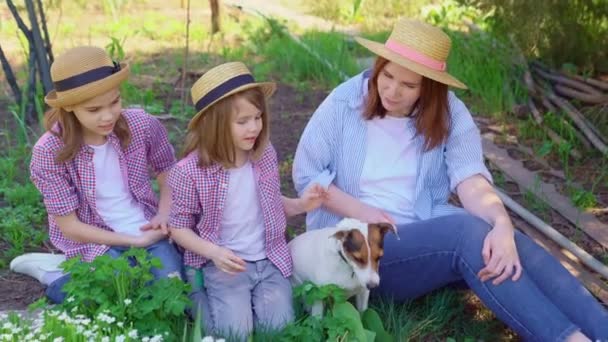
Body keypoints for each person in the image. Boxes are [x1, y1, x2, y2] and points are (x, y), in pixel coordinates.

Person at [292, 18, 608, 341]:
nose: (391, 90)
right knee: (465, 235)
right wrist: (365, 213)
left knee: (508, 245)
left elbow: (471, 182)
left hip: (424, 236)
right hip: (361, 252)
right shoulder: (344, 102)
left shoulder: (450, 114)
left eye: (409, 85)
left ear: (429, 86)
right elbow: (307, 176)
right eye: (386, 75)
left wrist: (502, 224)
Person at [11, 46, 183, 304]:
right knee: (117, 294)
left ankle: (74, 271)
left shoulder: (141, 124)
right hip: (95, 239)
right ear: (69, 108)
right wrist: (131, 241)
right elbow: (69, 227)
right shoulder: (50, 151)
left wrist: (163, 215)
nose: (108, 116)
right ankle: (54, 275)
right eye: (93, 110)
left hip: (147, 226)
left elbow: (167, 168)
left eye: (114, 102)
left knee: (172, 290)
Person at [167, 62, 326, 340]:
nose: (254, 127)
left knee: (279, 331)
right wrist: (215, 253)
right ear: (214, 124)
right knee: (234, 334)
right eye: (242, 122)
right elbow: (178, 227)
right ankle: (197, 294)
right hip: (225, 264)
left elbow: (268, 203)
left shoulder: (263, 155)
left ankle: (245, 305)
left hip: (268, 260)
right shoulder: (188, 172)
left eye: (257, 117)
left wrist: (302, 205)